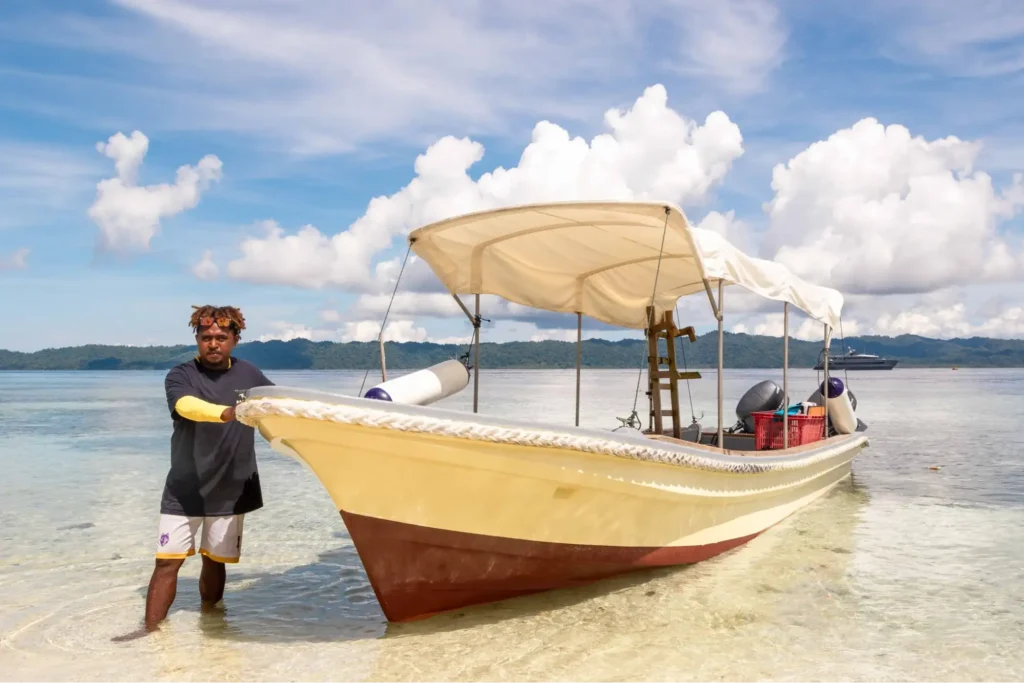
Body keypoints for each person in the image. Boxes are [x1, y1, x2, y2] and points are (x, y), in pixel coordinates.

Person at [113, 305, 273, 641]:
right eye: (206, 338)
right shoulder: (180, 375)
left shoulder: (250, 376)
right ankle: (150, 630)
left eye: (221, 337)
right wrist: (230, 412)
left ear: (235, 339)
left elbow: (278, 407)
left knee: (215, 560)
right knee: (167, 562)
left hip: (232, 488)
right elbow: (186, 406)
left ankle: (211, 624)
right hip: (185, 489)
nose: (213, 344)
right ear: (197, 340)